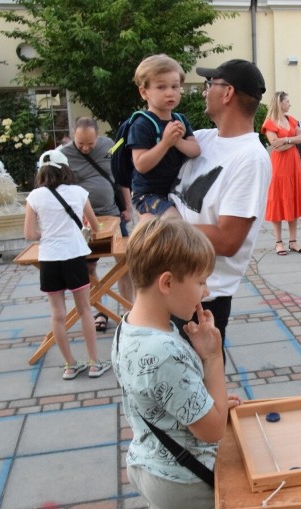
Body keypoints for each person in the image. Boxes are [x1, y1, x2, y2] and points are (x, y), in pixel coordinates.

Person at [113, 216, 263, 509]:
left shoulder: (129, 329)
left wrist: (212, 403)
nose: (206, 292)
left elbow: (164, 400)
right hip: (183, 477)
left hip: (149, 464)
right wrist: (212, 356)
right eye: (200, 281)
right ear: (167, 282)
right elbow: (211, 430)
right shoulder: (164, 351)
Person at [171, 59, 270, 345]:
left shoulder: (250, 158)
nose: (204, 92)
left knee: (201, 384)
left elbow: (228, 240)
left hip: (203, 298)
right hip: (173, 284)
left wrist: (164, 228)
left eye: (209, 85)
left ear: (227, 93)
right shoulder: (201, 139)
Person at [23, 149, 110, 380]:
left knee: (57, 314)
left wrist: (48, 233)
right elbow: (95, 226)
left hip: (49, 259)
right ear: (66, 169)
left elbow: (29, 233)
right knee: (84, 310)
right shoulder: (79, 192)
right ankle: (94, 363)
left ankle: (70, 365)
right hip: (74, 256)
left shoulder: (34, 197)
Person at [61, 117, 134, 331]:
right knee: (88, 267)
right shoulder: (64, 155)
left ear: (97, 136)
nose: (85, 148)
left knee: (125, 263)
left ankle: (128, 309)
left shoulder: (109, 146)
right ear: (73, 134)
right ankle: (100, 311)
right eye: (80, 143)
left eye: (90, 144)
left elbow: (120, 177)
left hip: (113, 215)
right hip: (83, 222)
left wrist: (128, 207)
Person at [129, 54, 201, 220]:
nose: (170, 93)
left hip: (176, 190)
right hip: (147, 194)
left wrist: (177, 141)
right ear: (144, 92)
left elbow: (195, 150)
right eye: (161, 87)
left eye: (175, 87)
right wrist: (165, 143)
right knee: (172, 220)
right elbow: (141, 164)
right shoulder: (141, 124)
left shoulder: (180, 120)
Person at [262, 91, 301, 256]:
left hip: (293, 165)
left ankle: (293, 241)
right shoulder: (270, 123)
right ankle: (278, 242)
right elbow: (277, 147)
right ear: (279, 103)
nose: (290, 104)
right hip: (279, 166)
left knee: (293, 200)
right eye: (287, 101)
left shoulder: (291, 120)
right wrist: (291, 141)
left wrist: (286, 140)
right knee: (278, 200)